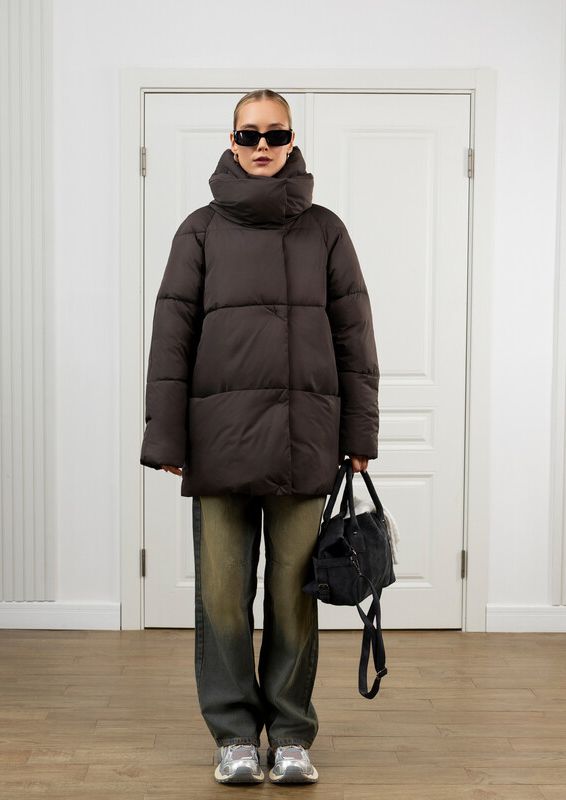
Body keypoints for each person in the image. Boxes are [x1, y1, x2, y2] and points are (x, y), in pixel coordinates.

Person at [140, 89, 380, 784]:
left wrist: (360, 432)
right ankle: (234, 736)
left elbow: (355, 338)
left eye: (275, 133)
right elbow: (172, 339)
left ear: (292, 139)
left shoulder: (326, 231)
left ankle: (293, 734)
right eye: (249, 134)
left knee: (293, 596)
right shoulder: (199, 230)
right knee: (221, 597)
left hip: (306, 442)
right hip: (219, 444)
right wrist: (167, 438)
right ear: (233, 140)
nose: (263, 145)